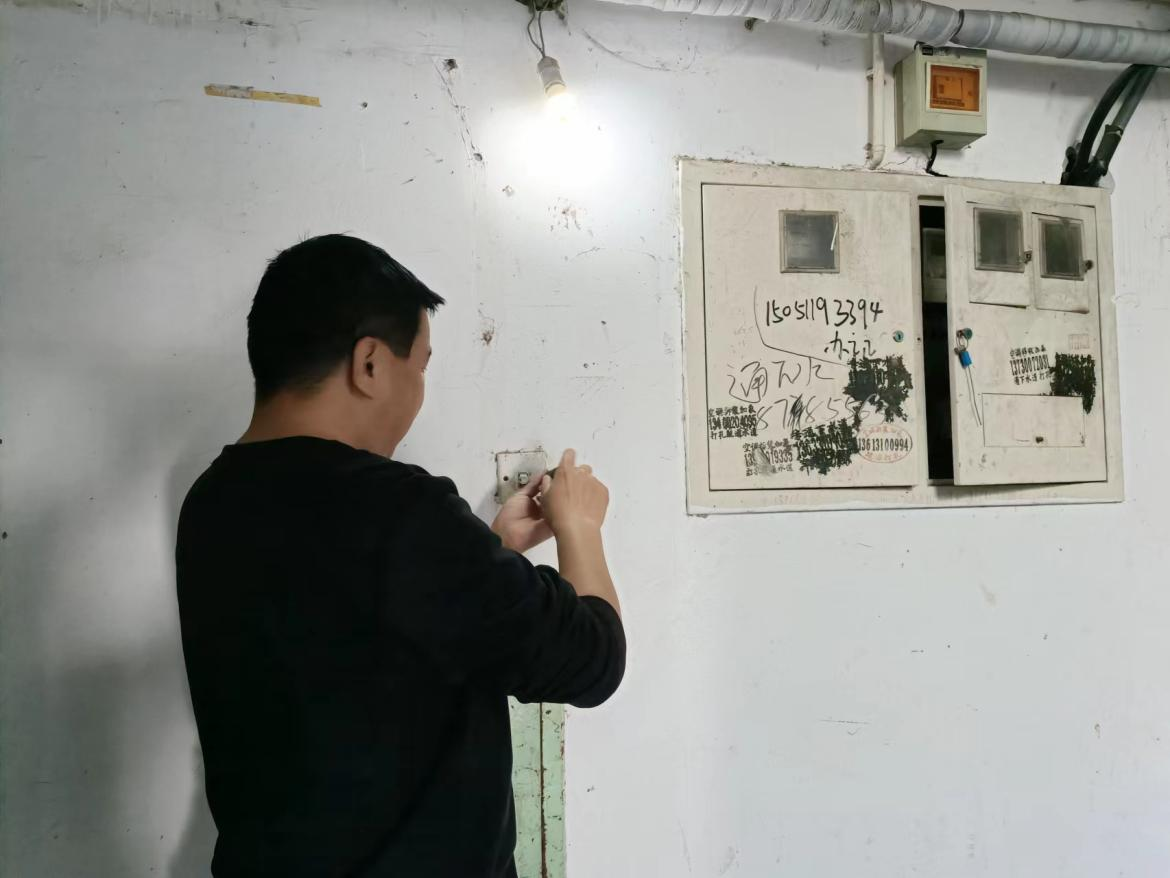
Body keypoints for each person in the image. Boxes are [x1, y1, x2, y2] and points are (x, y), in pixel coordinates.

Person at [175, 234, 625, 877]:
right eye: (420, 367)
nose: (418, 392)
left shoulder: (212, 501)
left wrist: (489, 551)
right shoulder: (397, 508)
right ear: (369, 364)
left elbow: (352, 639)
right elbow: (592, 660)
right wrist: (579, 526)